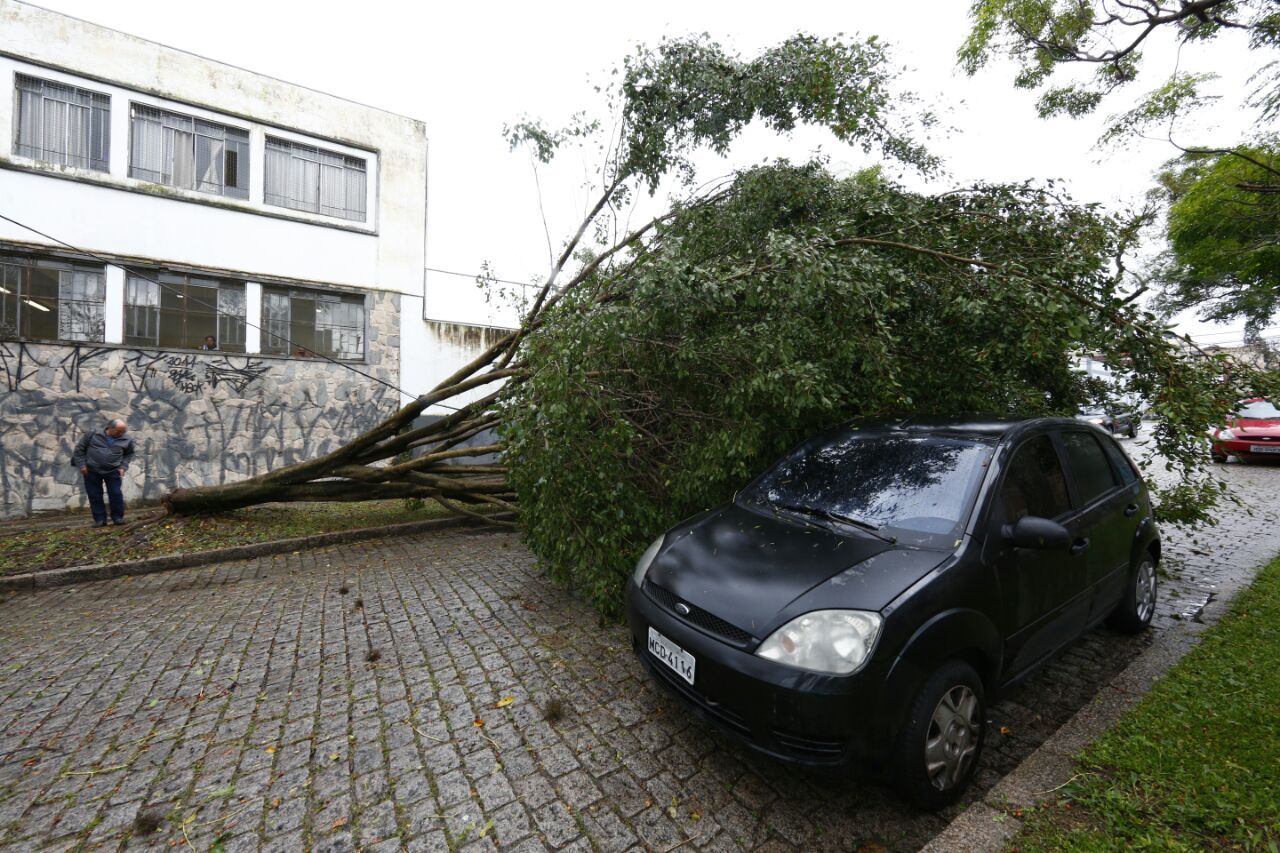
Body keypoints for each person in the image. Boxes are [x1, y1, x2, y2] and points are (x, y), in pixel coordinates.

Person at [71, 418, 135, 528]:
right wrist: (82, 465)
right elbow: (79, 450)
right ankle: (100, 520)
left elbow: (129, 454)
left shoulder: (126, 439)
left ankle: (118, 518)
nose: (122, 434)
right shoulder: (93, 434)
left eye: (124, 431)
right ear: (110, 428)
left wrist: (123, 467)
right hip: (91, 470)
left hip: (113, 471)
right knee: (94, 495)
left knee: (116, 494)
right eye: (119, 431)